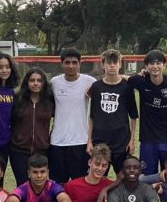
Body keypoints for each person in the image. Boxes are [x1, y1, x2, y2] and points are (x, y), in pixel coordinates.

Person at [127, 50, 167, 174]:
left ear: (164, 65)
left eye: (158, 63)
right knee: (147, 177)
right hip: (148, 140)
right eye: (151, 63)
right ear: (146, 66)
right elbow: (124, 79)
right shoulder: (141, 81)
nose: (155, 66)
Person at [48, 48, 96, 183]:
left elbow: (110, 81)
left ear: (79, 63)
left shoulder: (89, 81)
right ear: (61, 64)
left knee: (80, 183)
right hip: (57, 142)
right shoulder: (54, 82)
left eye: (74, 62)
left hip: (81, 142)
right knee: (57, 184)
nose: (70, 66)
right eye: (67, 62)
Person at [88, 49, 138, 175]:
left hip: (121, 140)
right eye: (108, 63)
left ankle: (120, 196)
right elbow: (92, 116)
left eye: (115, 63)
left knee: (122, 177)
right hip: (100, 139)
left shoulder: (127, 86)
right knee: (98, 175)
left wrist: (132, 140)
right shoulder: (96, 87)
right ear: (103, 65)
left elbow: (133, 116)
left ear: (120, 65)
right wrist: (89, 140)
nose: (112, 66)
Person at [9, 67, 54, 186]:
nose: (36, 83)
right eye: (32, 80)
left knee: (40, 184)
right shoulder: (17, 99)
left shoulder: (49, 101)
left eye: (39, 80)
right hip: (19, 150)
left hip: (42, 150)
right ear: (26, 82)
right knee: (23, 184)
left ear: (44, 83)